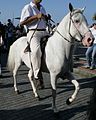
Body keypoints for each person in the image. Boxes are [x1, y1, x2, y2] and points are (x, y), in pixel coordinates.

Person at [20, 0, 50, 89]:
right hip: (34, 32)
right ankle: (36, 75)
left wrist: (46, 17)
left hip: (44, 32)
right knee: (36, 51)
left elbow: (43, 20)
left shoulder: (42, 7)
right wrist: (35, 17)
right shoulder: (27, 7)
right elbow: (22, 22)